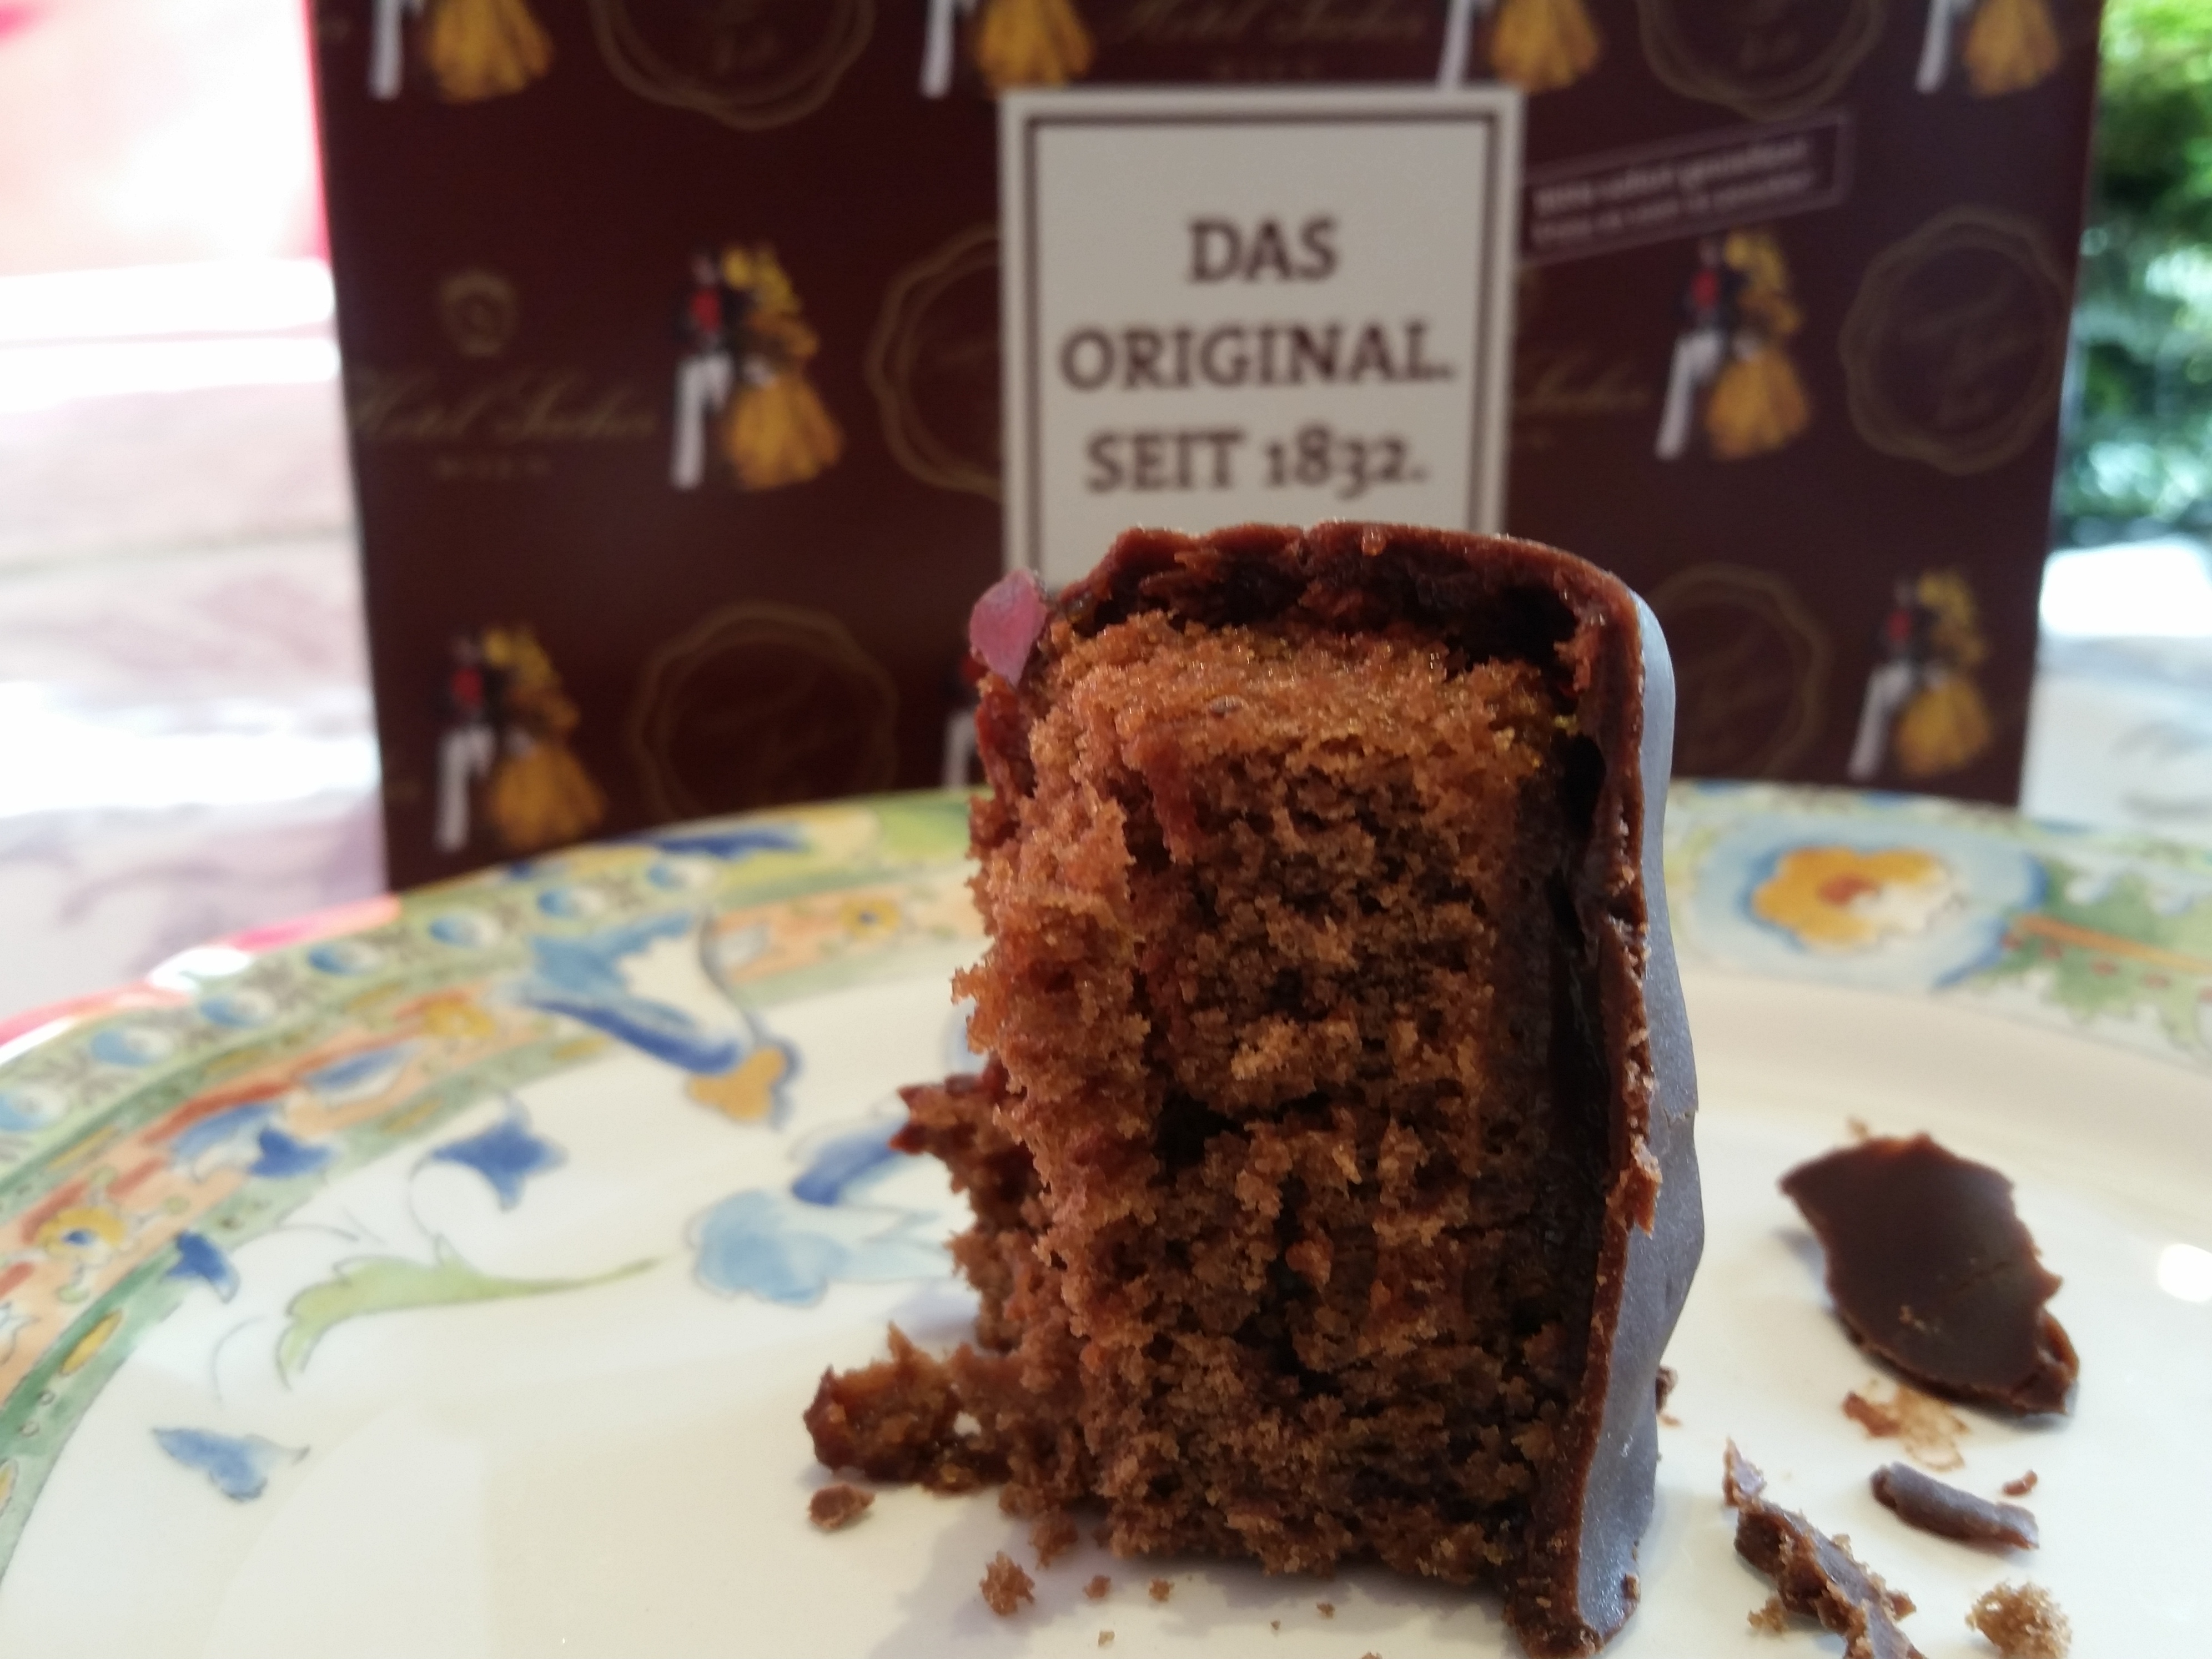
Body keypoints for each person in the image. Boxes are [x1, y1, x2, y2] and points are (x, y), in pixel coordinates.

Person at [721, 246, 844, 492]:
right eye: (748, 295)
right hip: (756, 390)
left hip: (783, 388)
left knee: (784, 430)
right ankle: (761, 471)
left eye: (756, 292)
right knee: (751, 433)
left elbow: (807, 344)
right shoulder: (747, 323)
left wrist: (780, 362)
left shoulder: (778, 321)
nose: (752, 299)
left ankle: (783, 470)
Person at [1702, 229, 1812, 460]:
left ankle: (1760, 434)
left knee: (1760, 383)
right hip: (1745, 353)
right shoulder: (1735, 290)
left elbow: (1788, 320)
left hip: (1764, 354)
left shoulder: (1768, 287)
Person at [1656, 238, 1743, 461]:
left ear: (1722, 252)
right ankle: (1672, 447)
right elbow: (1679, 309)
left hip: (1718, 338)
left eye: (1714, 250)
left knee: (1714, 392)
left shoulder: (1732, 278)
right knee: (1680, 391)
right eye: (1706, 250)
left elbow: (1738, 310)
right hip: (1691, 339)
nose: (1710, 254)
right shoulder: (1692, 277)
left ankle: (1714, 443)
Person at [671, 253, 737, 491]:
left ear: (716, 269)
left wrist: (721, 337)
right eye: (697, 267)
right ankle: (686, 477)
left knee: (727, 417)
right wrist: (686, 325)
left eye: (706, 267)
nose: (701, 272)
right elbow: (673, 331)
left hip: (719, 361)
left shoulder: (729, 297)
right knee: (688, 417)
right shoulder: (684, 296)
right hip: (692, 361)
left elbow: (739, 329)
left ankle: (734, 469)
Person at [435, 632, 499, 854]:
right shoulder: (446, 676)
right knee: (453, 784)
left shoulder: (490, 675)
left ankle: (491, 832)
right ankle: (453, 839)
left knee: (488, 784)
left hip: (482, 733)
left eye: (468, 647)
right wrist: (453, 704)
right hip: (456, 733)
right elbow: (436, 706)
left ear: (477, 650)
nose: (463, 652)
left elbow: (499, 706)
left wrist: (482, 711)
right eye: (459, 648)